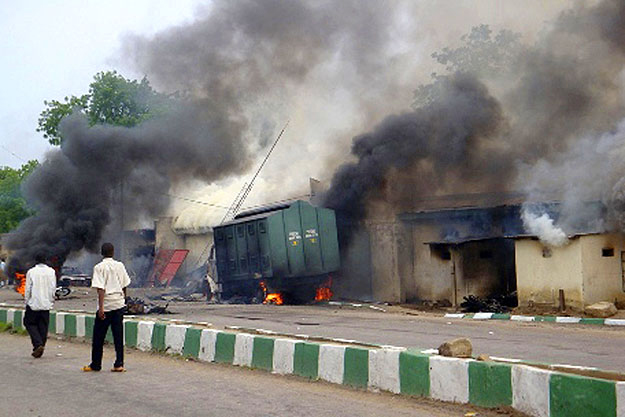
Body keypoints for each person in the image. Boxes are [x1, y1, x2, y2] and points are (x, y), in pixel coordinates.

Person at [82, 242, 131, 372]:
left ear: (102, 253)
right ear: (113, 252)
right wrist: (123, 300)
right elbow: (125, 284)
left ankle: (96, 365)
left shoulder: (99, 267)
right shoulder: (120, 266)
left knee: (98, 337)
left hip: (108, 305)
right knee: (118, 336)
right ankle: (119, 364)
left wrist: (101, 308)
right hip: (119, 304)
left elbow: (101, 289)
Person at [23, 253, 56, 358]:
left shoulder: (31, 272)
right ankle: (40, 345)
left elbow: (28, 288)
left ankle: (38, 345)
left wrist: (27, 301)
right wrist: (51, 300)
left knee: (29, 323)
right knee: (43, 326)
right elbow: (53, 287)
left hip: (34, 303)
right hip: (46, 304)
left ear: (35, 261)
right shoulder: (51, 272)